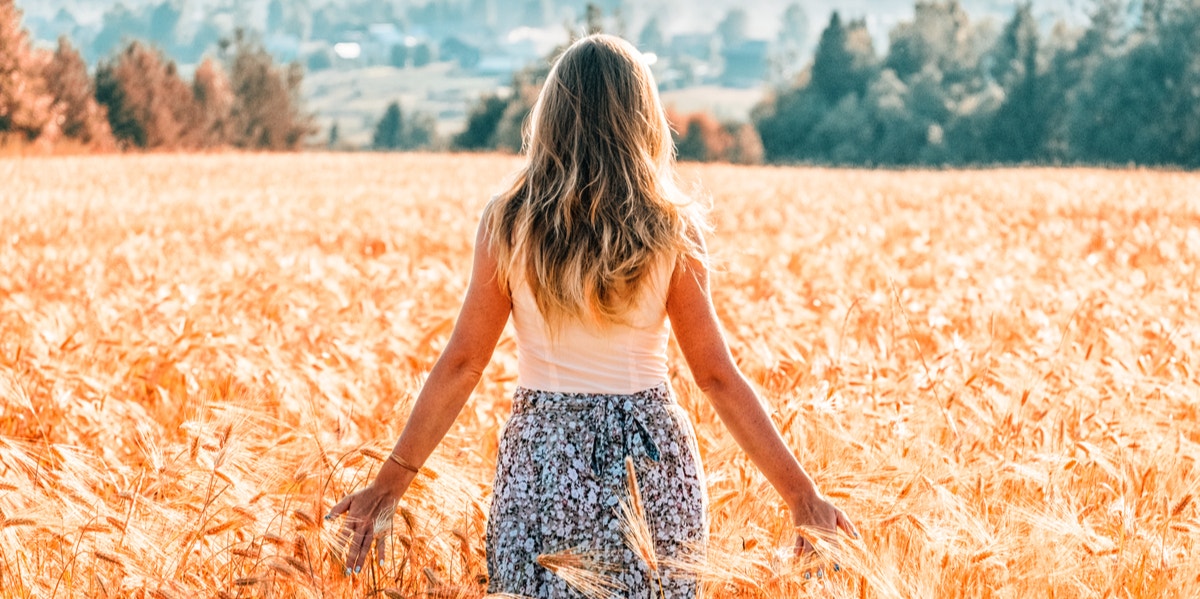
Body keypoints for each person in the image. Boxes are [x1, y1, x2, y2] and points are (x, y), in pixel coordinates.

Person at [326, 33, 856, 597]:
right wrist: (803, 498)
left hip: (543, 463)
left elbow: (462, 362)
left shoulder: (508, 222)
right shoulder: (672, 228)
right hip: (651, 463)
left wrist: (389, 485)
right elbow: (716, 376)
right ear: (644, 119)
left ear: (550, 116)